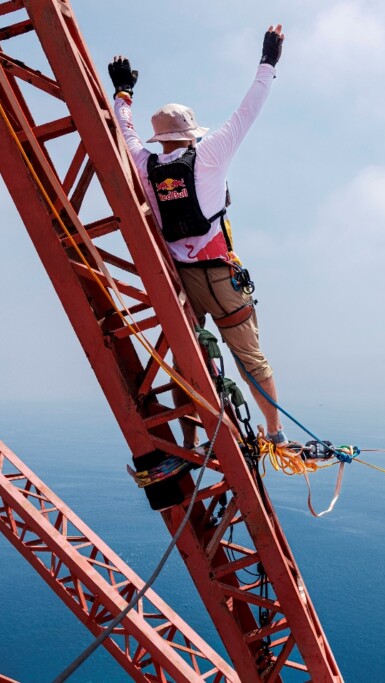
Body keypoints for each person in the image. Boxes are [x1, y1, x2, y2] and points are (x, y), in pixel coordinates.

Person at [108, 25, 293, 450]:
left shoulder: (145, 165)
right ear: (191, 132)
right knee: (250, 358)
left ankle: (191, 442)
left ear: (161, 138)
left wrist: (122, 93)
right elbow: (249, 109)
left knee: (187, 365)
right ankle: (275, 432)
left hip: (183, 280)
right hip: (220, 277)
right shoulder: (210, 153)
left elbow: (124, 133)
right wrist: (269, 60)